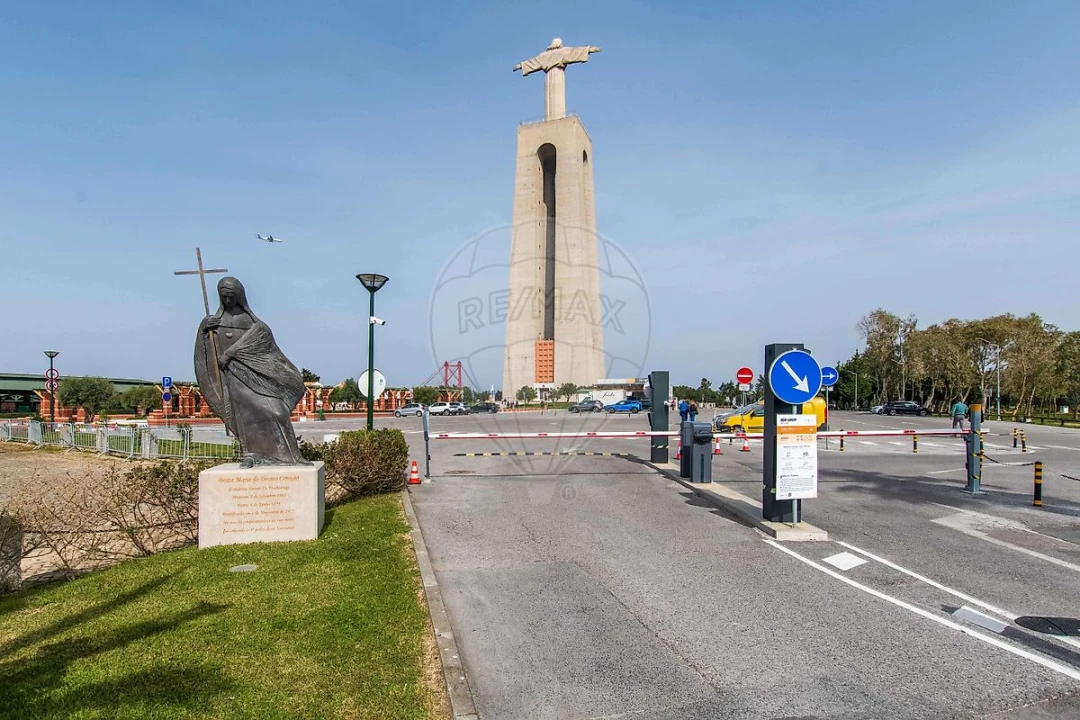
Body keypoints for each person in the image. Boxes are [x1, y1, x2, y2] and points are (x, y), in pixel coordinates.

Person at [194, 277, 308, 467]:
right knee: (244, 417)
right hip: (234, 378)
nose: (228, 301)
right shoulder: (214, 322)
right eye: (225, 298)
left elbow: (263, 341)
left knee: (278, 412)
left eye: (231, 297)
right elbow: (205, 351)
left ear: (239, 296)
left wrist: (231, 352)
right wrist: (203, 330)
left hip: (258, 375)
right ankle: (250, 454)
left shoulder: (251, 321)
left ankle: (292, 456)